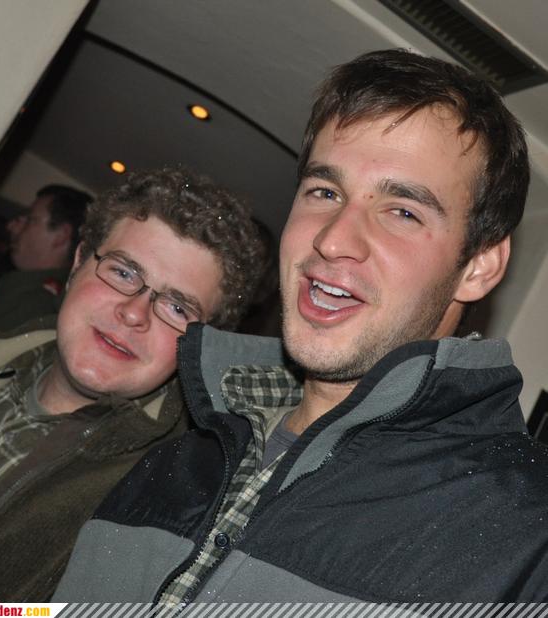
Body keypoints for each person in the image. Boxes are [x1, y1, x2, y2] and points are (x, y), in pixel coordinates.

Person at [55, 49, 548, 605]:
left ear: (479, 266)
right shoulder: (172, 461)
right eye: (325, 192)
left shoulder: (527, 535)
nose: (333, 239)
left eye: (402, 211)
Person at [0, 166, 266, 601]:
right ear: (78, 264)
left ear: (198, 347)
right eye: (124, 273)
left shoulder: (159, 503)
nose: (133, 313)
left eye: (177, 308)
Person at [0, 185, 92, 335]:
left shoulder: (36, 306)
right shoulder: (24, 291)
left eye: (30, 219)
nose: (11, 226)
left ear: (61, 235)